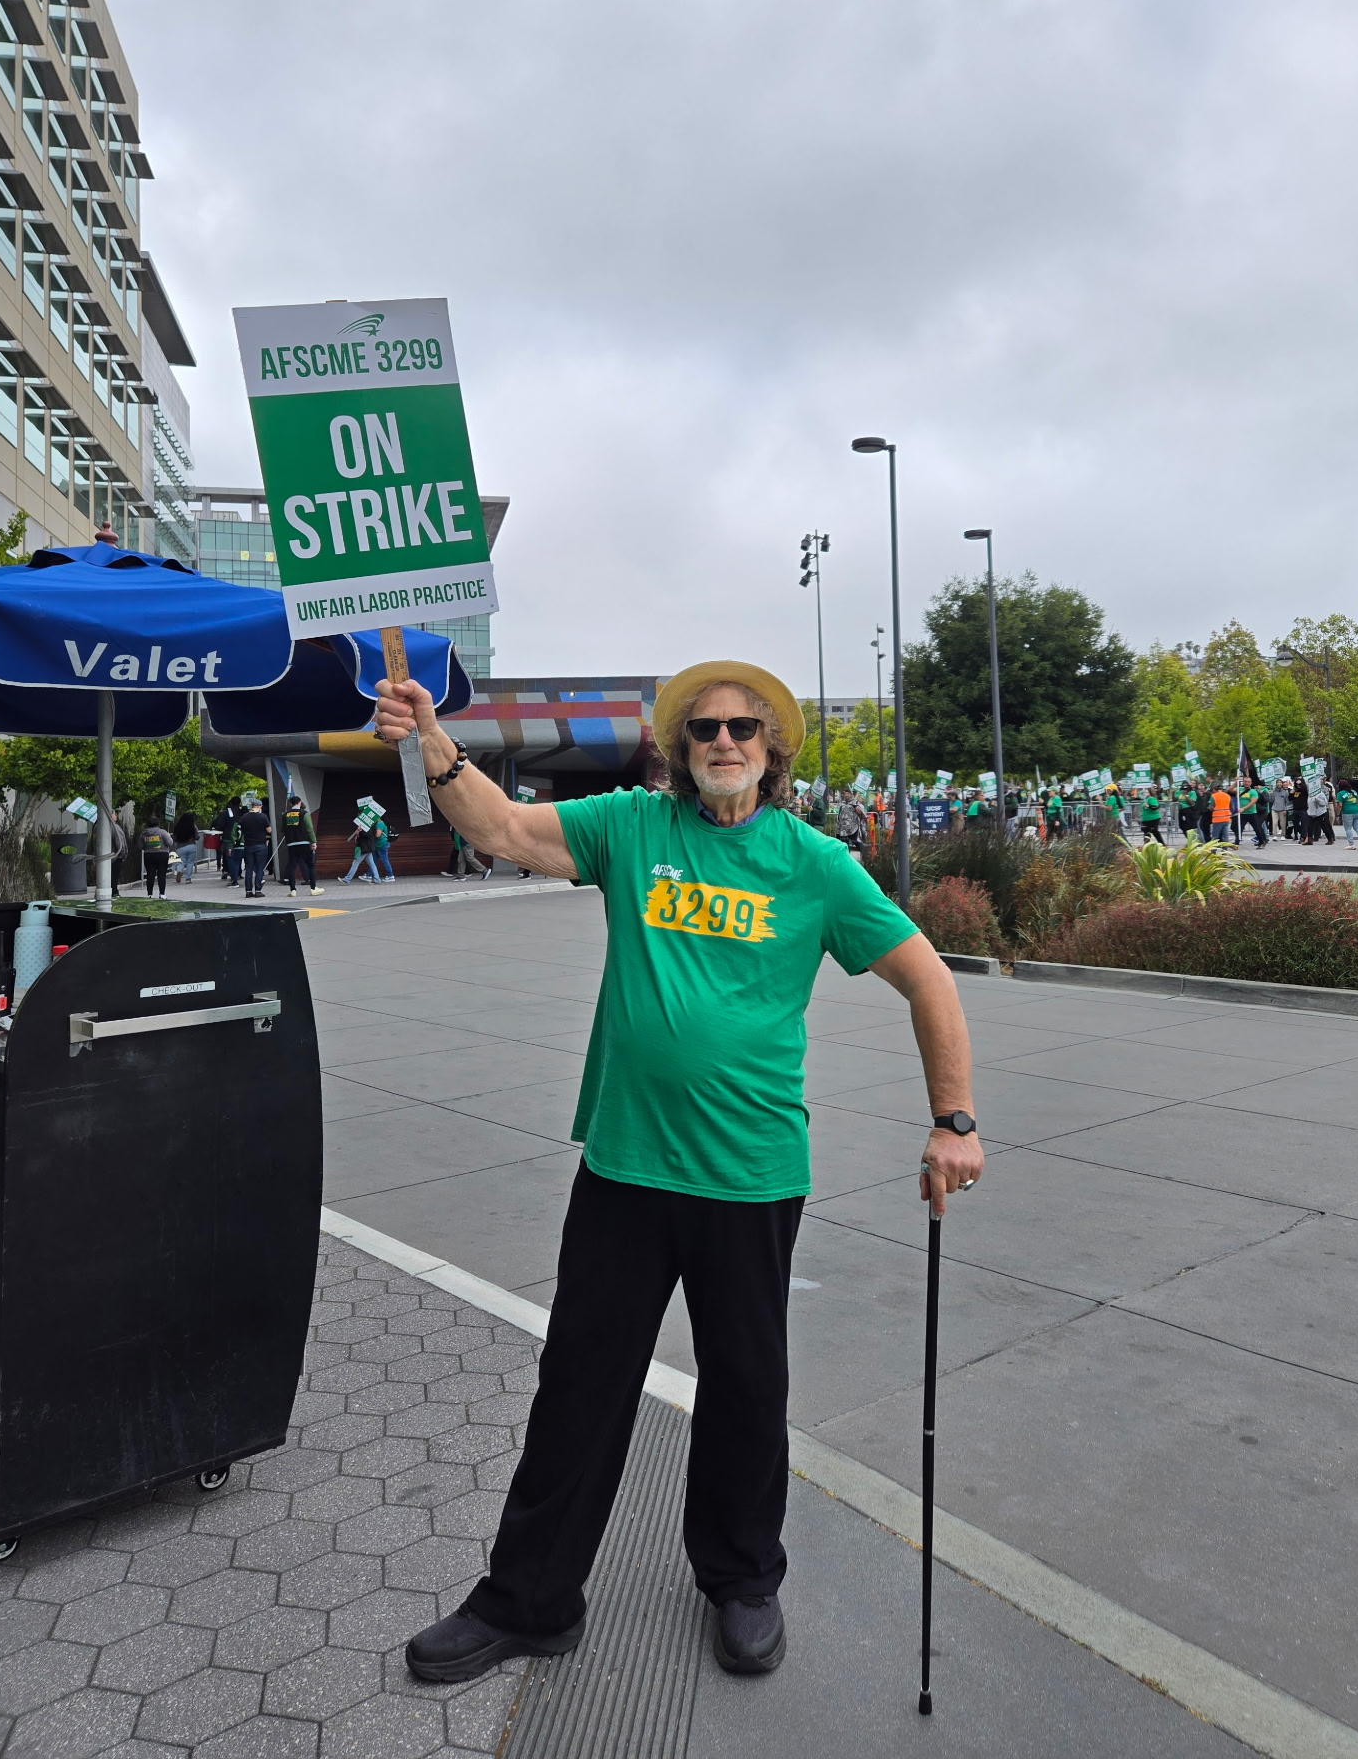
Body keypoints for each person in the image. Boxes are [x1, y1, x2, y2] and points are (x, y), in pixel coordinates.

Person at [373, 658, 981, 1687]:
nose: (724, 741)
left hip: (750, 1172)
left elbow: (928, 978)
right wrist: (429, 737)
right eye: (705, 728)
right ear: (679, 748)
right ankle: (529, 1599)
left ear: (772, 750)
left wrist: (952, 1119)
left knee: (746, 1387)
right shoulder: (631, 827)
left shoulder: (814, 864)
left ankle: (741, 1579)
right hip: (626, 1165)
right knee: (580, 1384)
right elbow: (503, 827)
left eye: (744, 727)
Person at [281, 795, 322, 896]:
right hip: (304, 842)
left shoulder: (285, 815)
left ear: (290, 804)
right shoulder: (304, 813)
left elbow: (282, 829)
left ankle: (293, 890)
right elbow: (309, 828)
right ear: (299, 802)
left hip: (291, 844)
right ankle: (313, 888)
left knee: (292, 866)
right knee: (310, 865)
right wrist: (313, 842)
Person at [237, 796, 272, 898]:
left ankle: (248, 891)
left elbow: (240, 828)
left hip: (248, 845)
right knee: (260, 868)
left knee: (249, 868)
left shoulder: (244, 817)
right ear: (260, 806)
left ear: (252, 806)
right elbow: (269, 830)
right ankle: (258, 890)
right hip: (261, 845)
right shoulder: (263, 817)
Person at [341, 813, 382, 883]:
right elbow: (357, 839)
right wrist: (358, 832)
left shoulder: (367, 828)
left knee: (355, 863)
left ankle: (347, 879)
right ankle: (377, 879)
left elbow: (367, 836)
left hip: (364, 849)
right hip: (367, 848)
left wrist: (361, 831)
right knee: (372, 864)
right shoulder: (365, 827)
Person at [139, 816, 173, 897]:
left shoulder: (144, 833)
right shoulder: (162, 832)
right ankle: (162, 893)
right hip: (162, 854)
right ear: (158, 823)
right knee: (162, 874)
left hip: (148, 855)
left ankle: (149, 894)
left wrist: (147, 848)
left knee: (150, 875)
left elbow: (140, 845)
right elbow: (169, 843)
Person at [1337, 780, 1358, 850]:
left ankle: (1351, 844)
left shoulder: (1340, 793)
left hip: (1347, 812)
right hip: (1357, 810)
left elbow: (1340, 805)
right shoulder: (1354, 792)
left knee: (1348, 828)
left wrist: (1337, 815)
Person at [172, 811, 200, 884]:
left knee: (181, 862)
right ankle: (188, 879)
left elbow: (174, 838)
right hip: (191, 846)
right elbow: (197, 837)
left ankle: (179, 871)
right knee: (190, 862)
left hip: (180, 847)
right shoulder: (193, 826)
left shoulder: (178, 826)